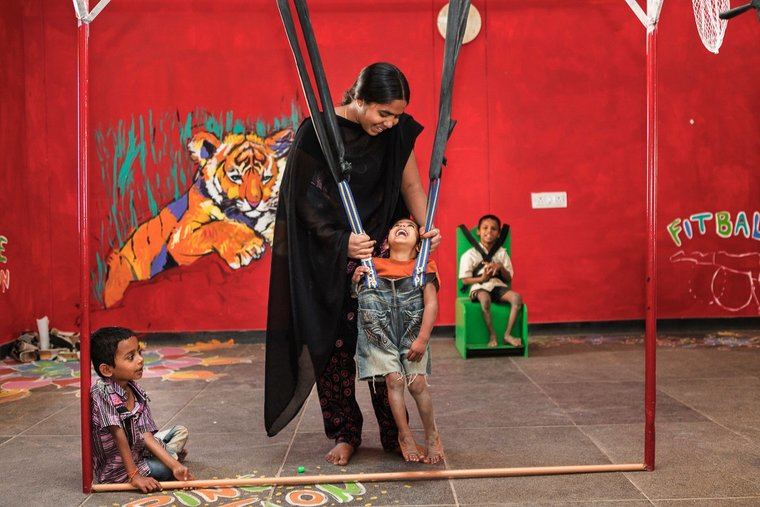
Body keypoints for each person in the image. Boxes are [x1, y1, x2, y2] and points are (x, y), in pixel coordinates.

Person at [265, 62, 441, 467]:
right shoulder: (318, 132)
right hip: (329, 253)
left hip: (380, 249)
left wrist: (424, 225)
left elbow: (410, 182)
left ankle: (395, 429)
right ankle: (345, 431)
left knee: (385, 341)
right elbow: (300, 201)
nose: (392, 122)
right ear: (359, 100)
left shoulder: (397, 132)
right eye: (384, 113)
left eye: (398, 114)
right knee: (335, 345)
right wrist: (342, 242)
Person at [352, 218, 444, 464]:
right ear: (387, 239)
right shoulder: (371, 265)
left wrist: (423, 338)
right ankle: (404, 435)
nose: (403, 227)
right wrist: (356, 281)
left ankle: (432, 434)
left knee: (416, 384)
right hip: (378, 330)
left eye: (411, 227)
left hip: (412, 329)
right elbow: (359, 298)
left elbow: (431, 304)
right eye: (396, 226)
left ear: (418, 246)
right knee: (394, 380)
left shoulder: (424, 266)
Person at [90, 327, 193, 491]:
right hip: (119, 469)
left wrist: (175, 466)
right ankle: (168, 455)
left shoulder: (135, 390)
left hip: (138, 448)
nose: (140, 360)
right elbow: (119, 436)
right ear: (107, 370)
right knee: (165, 469)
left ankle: (169, 455)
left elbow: (146, 435)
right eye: (130, 357)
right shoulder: (101, 393)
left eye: (139, 353)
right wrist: (134, 476)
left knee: (181, 431)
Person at [459, 214, 523, 347]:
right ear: (478, 231)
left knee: (517, 298)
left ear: (499, 233)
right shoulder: (470, 254)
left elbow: (508, 277)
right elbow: (465, 280)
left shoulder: (502, 253)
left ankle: (507, 335)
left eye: (493, 229)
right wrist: (482, 278)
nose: (489, 231)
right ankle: (492, 335)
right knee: (485, 300)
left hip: (497, 286)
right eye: (485, 228)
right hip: (479, 286)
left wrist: (500, 267)